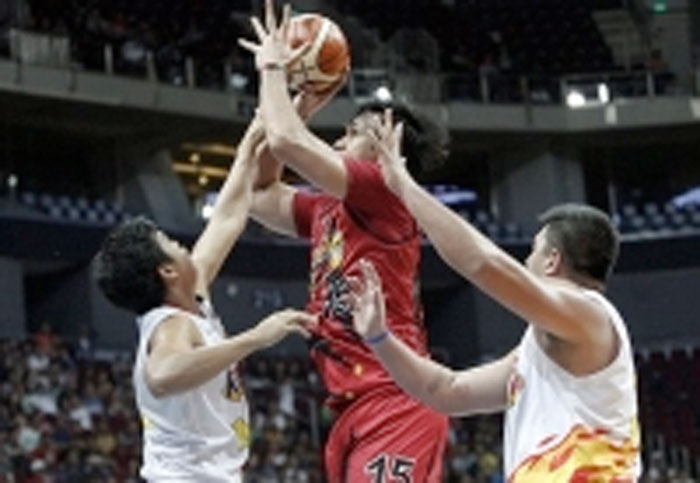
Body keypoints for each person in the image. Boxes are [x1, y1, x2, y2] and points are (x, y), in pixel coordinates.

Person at [349, 110, 642, 481]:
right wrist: (379, 337)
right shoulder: (540, 351)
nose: (526, 260)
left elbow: (481, 263)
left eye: (533, 251)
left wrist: (403, 186)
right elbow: (445, 390)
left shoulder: (590, 315)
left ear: (552, 261)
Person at [238, 2, 450, 481]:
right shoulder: (327, 209)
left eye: (354, 133)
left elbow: (291, 143)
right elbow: (257, 193)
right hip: (356, 405)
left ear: (385, 150)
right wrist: (297, 108)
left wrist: (273, 69)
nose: (338, 139)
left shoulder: (386, 193)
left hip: (396, 401)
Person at [92, 116, 315, 482]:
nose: (183, 245)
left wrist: (252, 145)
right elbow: (162, 375)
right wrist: (257, 337)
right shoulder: (172, 325)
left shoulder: (191, 295)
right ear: (167, 271)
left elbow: (227, 217)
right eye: (172, 244)